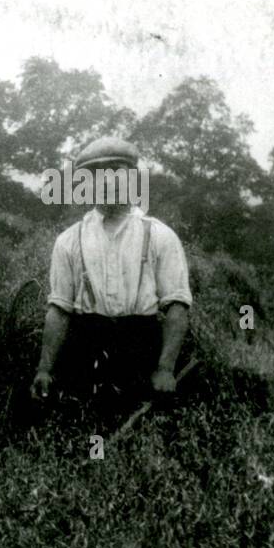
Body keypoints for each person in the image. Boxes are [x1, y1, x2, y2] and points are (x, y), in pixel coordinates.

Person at [30, 136, 192, 418]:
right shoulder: (69, 240)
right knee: (76, 428)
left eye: (115, 172)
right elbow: (59, 310)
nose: (105, 182)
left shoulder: (159, 235)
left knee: (143, 434)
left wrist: (165, 369)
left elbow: (177, 306)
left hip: (140, 351)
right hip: (85, 350)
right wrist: (45, 368)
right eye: (94, 175)